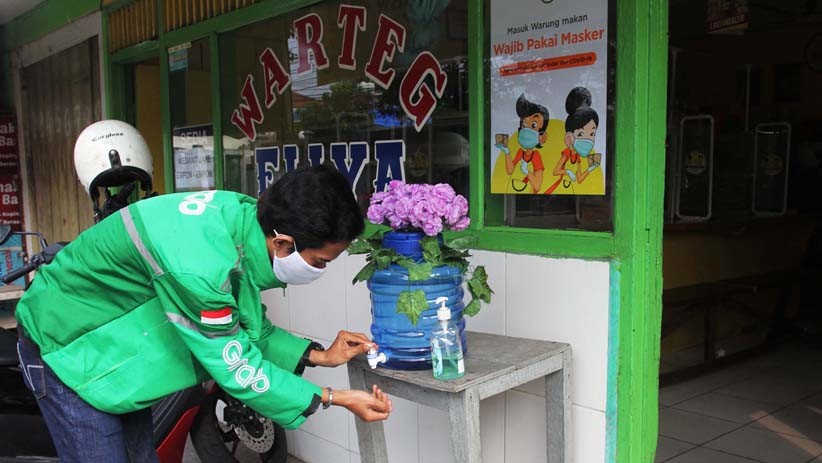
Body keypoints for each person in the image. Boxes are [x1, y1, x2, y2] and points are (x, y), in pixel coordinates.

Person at [15, 123, 392, 461]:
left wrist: (321, 356)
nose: (320, 271)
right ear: (283, 244)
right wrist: (336, 398)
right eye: (321, 261)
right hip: (64, 345)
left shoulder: (241, 222)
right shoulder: (201, 265)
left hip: (108, 347)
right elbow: (237, 365)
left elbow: (251, 330)